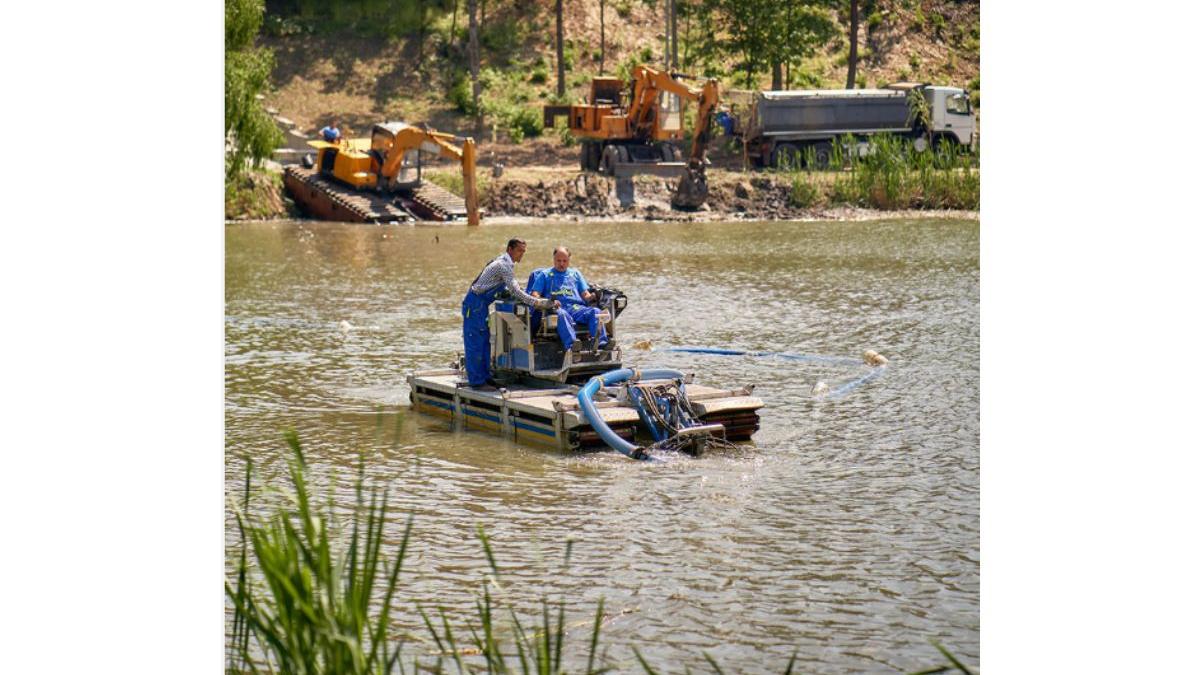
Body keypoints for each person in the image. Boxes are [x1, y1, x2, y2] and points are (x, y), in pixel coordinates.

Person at [462, 239, 559, 389]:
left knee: (485, 343)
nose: (522, 254)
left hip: (481, 307)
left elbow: (506, 290)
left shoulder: (505, 264)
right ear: (510, 249)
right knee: (475, 344)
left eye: (524, 251)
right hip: (474, 305)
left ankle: (486, 378)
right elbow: (516, 291)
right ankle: (476, 382)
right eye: (519, 251)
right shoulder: (503, 266)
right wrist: (538, 303)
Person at [527, 246, 608, 352]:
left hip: (575, 308)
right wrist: (548, 302)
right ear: (554, 259)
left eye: (564, 261)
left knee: (596, 311)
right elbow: (534, 294)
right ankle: (572, 345)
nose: (561, 264)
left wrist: (594, 296)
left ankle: (602, 343)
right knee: (562, 314)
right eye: (558, 261)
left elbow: (586, 295)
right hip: (556, 308)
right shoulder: (544, 275)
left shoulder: (575, 274)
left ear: (569, 260)